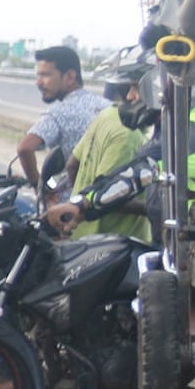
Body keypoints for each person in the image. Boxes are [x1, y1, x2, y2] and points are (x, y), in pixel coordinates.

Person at [50, 50, 157, 245]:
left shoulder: (108, 116)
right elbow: (123, 184)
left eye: (137, 88)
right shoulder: (128, 135)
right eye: (131, 87)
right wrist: (84, 204)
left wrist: (83, 202)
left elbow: (72, 165)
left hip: (97, 240)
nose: (131, 96)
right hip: (107, 242)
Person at [17, 45, 108, 200]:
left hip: (74, 206)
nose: (38, 83)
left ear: (70, 77)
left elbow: (25, 148)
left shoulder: (59, 112)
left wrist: (37, 187)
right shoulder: (106, 104)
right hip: (108, 197)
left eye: (46, 75)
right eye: (38, 75)